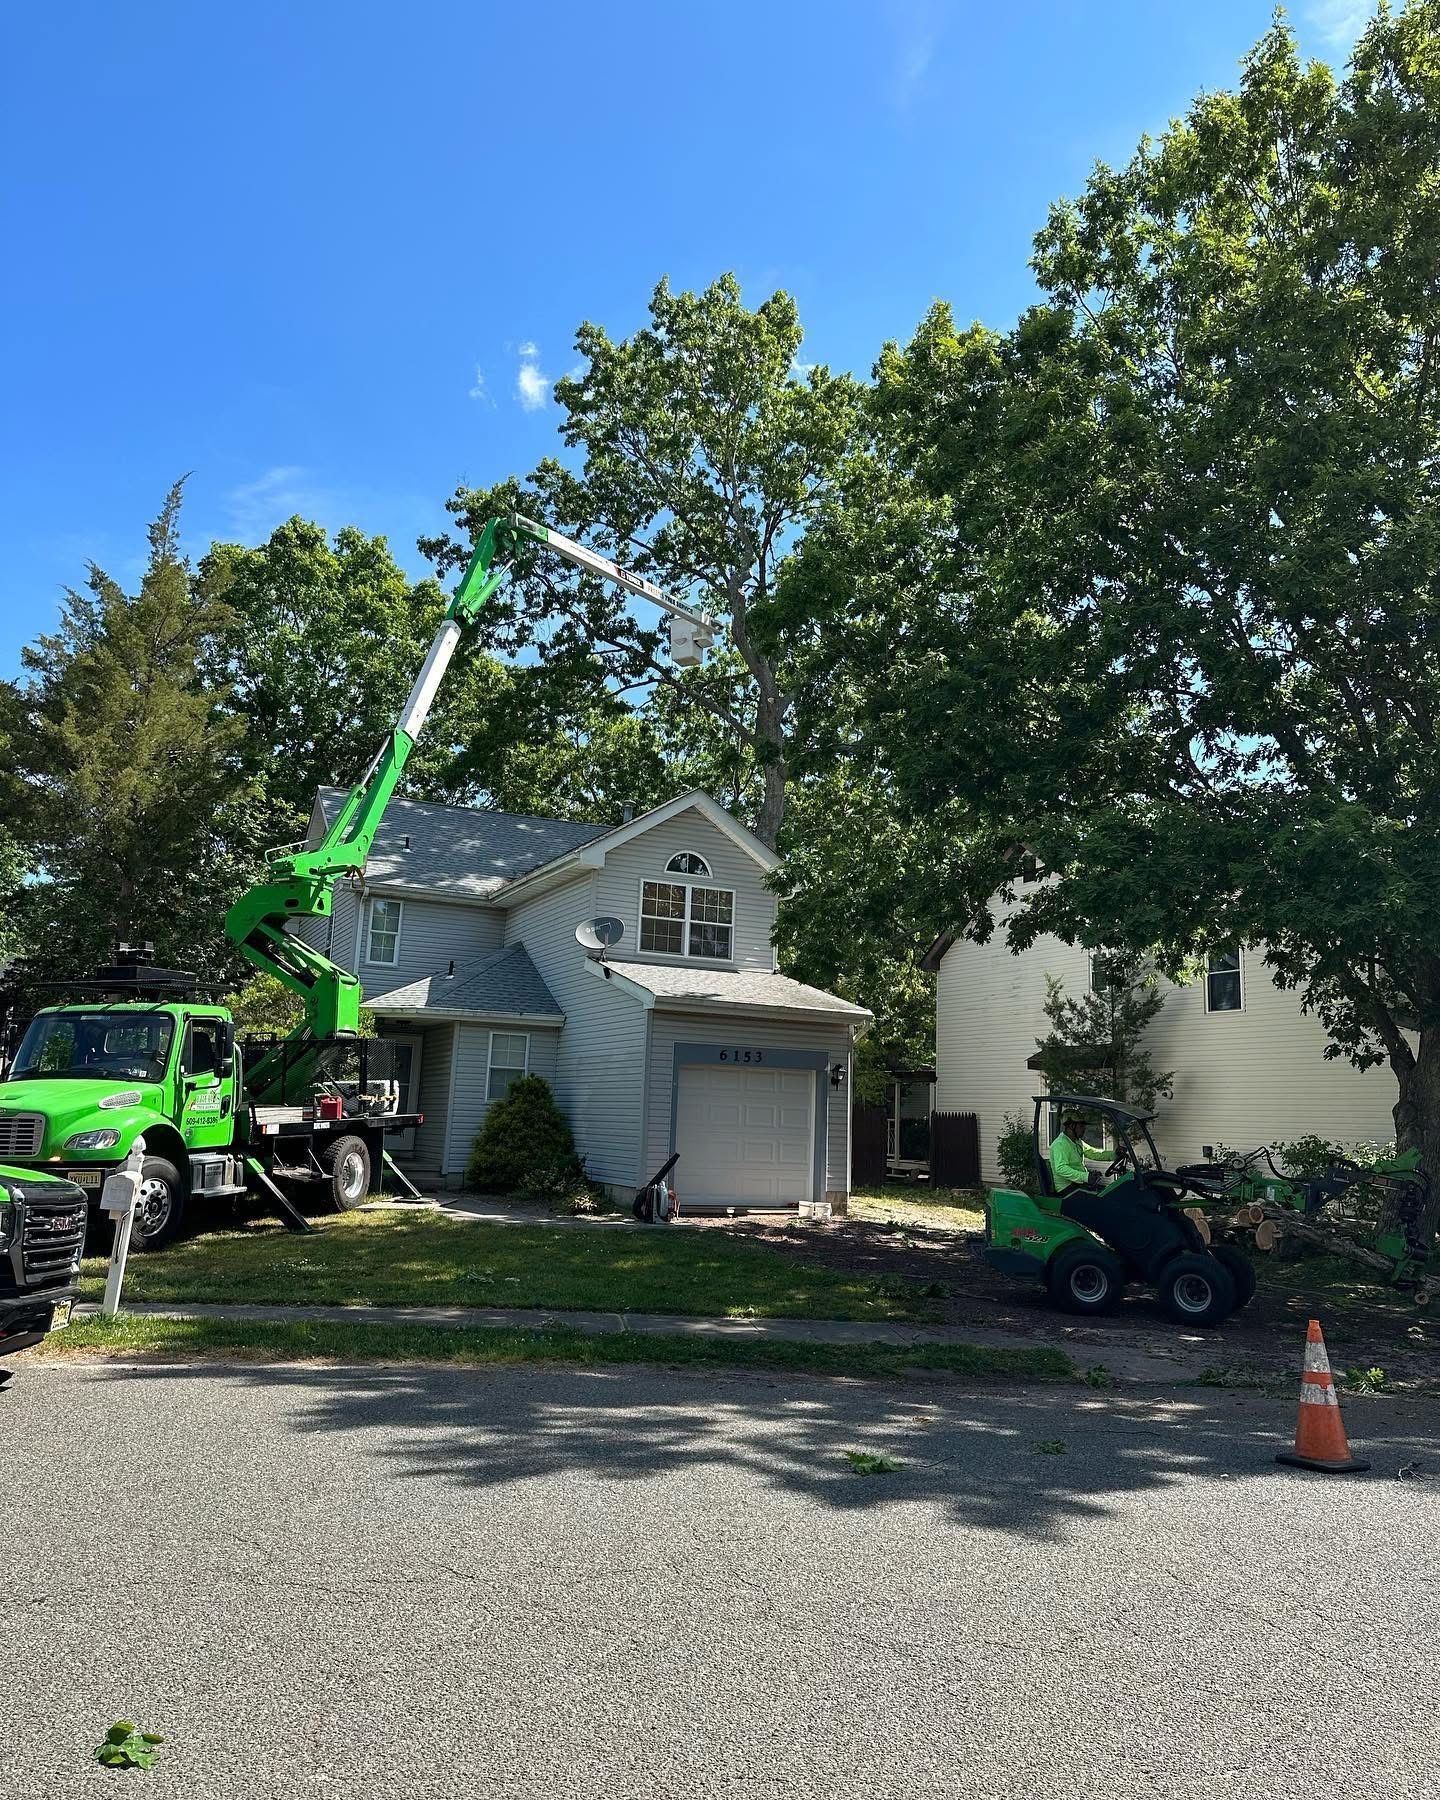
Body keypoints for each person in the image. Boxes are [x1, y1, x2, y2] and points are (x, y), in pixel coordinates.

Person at [1050, 1116, 1106, 1194]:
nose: (1084, 1129)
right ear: (1072, 1126)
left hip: (1078, 1184)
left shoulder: (1077, 1142)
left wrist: (1114, 1154)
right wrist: (1086, 1177)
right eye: (1081, 1126)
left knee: (1106, 1191)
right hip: (1067, 1189)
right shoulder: (1060, 1144)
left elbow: (1094, 1153)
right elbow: (1061, 1168)